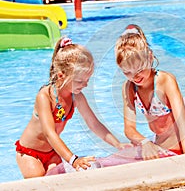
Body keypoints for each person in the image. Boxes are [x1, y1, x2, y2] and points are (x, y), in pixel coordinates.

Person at [16, 37, 130, 178]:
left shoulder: (77, 97)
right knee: (37, 181)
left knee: (57, 179)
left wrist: (118, 144)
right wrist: (73, 160)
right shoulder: (44, 97)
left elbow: (93, 124)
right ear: (61, 76)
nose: (85, 85)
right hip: (30, 153)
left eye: (87, 80)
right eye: (80, 81)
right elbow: (49, 133)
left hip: (52, 152)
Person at [115, 24, 185, 160]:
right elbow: (129, 128)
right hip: (156, 147)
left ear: (150, 58)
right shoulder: (129, 87)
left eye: (140, 70)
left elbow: (183, 124)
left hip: (176, 149)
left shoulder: (165, 81)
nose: (135, 77)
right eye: (127, 72)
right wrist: (145, 143)